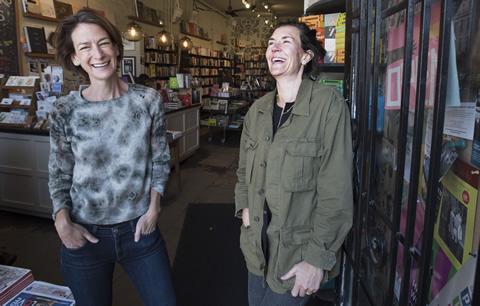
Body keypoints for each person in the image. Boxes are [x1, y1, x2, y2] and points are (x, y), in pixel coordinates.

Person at [48, 8, 176, 305]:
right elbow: (59, 173)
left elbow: (160, 160)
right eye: (85, 47)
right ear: (75, 58)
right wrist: (61, 221)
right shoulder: (64, 111)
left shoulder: (147, 100)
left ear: (117, 48)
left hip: (140, 233)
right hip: (84, 236)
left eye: (104, 42)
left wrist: (154, 208)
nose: (98, 53)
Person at [235, 21, 353, 305]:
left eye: (286, 41)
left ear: (306, 56)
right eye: (271, 42)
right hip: (256, 249)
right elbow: (242, 172)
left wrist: (316, 259)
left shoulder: (329, 106)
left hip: (296, 256)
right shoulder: (257, 110)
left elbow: (335, 191)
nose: (273, 47)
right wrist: (246, 211)